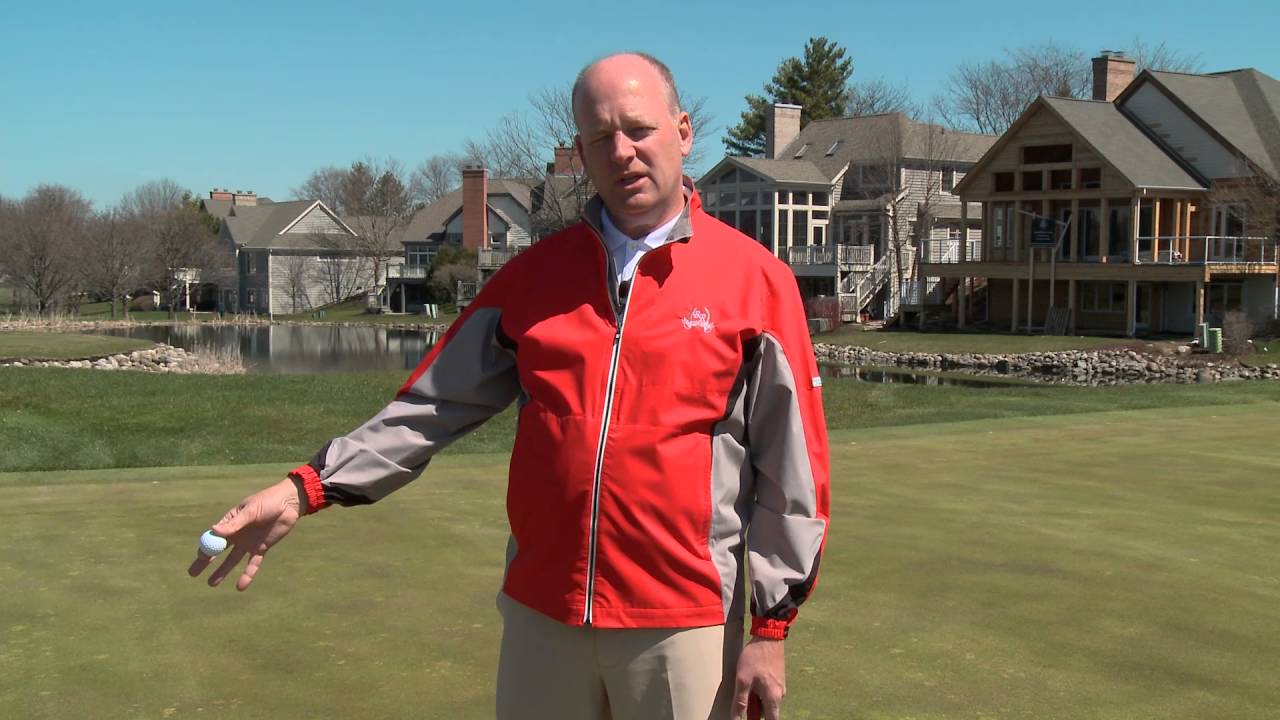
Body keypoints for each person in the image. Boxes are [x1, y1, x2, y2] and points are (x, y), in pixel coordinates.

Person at [189, 51, 830, 720]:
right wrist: (306, 487)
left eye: (638, 129)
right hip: (543, 618)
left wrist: (770, 629)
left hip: (683, 621)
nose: (623, 152)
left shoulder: (754, 281)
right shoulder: (533, 279)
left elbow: (794, 473)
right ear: (580, 153)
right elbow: (430, 406)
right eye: (599, 137)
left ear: (683, 131)